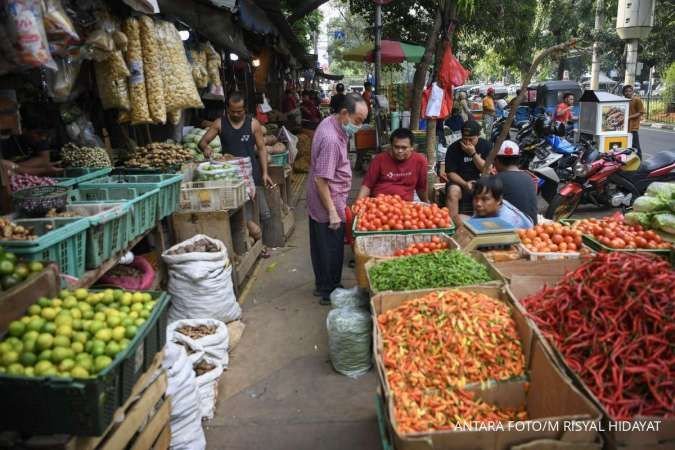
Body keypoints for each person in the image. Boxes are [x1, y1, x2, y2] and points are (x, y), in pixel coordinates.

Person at [307, 93, 368, 305]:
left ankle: (322, 285)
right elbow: (321, 180)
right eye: (357, 121)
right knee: (331, 249)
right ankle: (329, 292)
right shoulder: (332, 139)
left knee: (320, 245)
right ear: (344, 113)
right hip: (328, 201)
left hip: (323, 200)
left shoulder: (331, 123)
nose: (358, 126)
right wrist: (333, 211)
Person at [199, 91, 274, 229]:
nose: (236, 114)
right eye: (233, 111)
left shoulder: (253, 124)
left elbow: (262, 148)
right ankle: (249, 242)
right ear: (228, 108)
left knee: (263, 213)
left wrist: (265, 173)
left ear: (244, 109)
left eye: (239, 111)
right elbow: (203, 142)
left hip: (252, 173)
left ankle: (264, 243)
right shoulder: (219, 123)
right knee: (240, 214)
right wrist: (205, 148)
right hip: (229, 177)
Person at [358, 128, 428, 202]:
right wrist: (358, 203)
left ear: (412, 147)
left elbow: (421, 188)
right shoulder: (379, 159)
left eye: (404, 148)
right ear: (391, 146)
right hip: (379, 205)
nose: (400, 151)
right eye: (396, 147)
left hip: (405, 207)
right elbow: (367, 185)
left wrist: (427, 203)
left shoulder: (420, 161)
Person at [444, 120, 491, 222]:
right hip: (460, 181)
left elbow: (486, 170)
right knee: (453, 192)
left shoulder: (486, 146)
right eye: (465, 139)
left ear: (478, 136)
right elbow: (450, 173)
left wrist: (473, 154)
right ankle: (452, 225)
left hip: (480, 179)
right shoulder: (453, 148)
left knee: (485, 192)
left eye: (471, 139)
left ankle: (480, 225)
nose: (467, 142)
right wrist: (465, 184)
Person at [493, 140, 538, 225]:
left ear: (497, 160)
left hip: (511, 230)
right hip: (532, 229)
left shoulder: (496, 180)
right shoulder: (529, 177)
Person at [623, 85, 645, 159]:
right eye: (626, 91)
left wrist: (629, 117)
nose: (628, 93)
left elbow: (641, 112)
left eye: (630, 91)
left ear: (633, 92)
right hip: (624, 128)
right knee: (627, 146)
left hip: (633, 127)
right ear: (623, 93)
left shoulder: (637, 100)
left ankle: (640, 161)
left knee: (635, 146)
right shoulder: (624, 100)